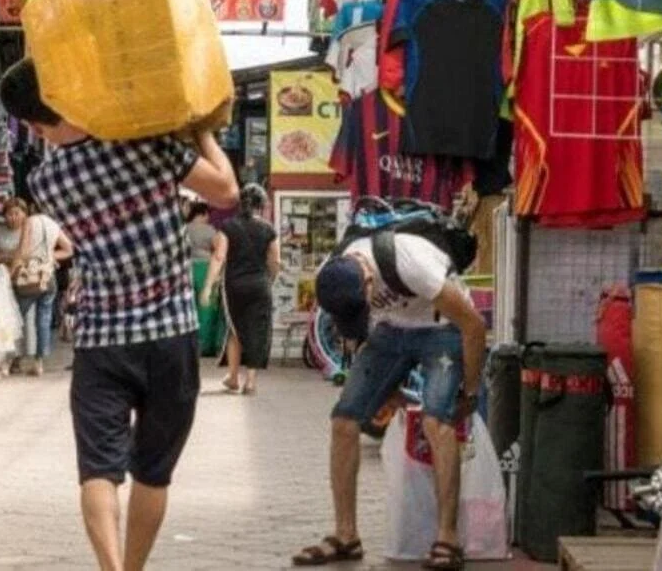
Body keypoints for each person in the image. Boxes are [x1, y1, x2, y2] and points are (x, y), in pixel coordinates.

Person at [0, 58, 238, 571]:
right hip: (170, 335)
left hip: (100, 341)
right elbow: (226, 192)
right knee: (153, 473)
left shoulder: (46, 182)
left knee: (98, 472)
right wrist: (201, 134)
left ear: (36, 127)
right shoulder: (145, 143)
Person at [294, 231, 486, 570]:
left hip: (442, 328)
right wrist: (382, 389)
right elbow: (354, 333)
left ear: (369, 280)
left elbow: (473, 325)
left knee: (436, 422)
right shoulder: (334, 272)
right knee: (343, 420)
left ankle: (447, 538)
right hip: (390, 332)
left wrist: (470, 394)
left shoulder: (413, 263)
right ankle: (346, 536)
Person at [200, 183, 279, 395]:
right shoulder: (269, 229)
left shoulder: (228, 226)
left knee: (234, 329)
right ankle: (251, 380)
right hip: (260, 284)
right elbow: (275, 261)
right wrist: (269, 280)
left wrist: (207, 287)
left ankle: (234, 378)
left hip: (234, 285)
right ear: (260, 205)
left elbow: (219, 257)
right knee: (257, 329)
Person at [0, 197, 74, 376]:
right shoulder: (52, 224)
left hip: (29, 279)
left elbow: (23, 252)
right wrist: (49, 257)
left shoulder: (30, 223)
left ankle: (9, 361)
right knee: (43, 321)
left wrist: (12, 274)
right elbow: (69, 249)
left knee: (15, 320)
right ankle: (39, 363)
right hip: (47, 278)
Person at [186, 202, 225, 357]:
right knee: (206, 308)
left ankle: (191, 345)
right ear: (202, 214)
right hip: (205, 268)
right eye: (207, 214)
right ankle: (205, 345)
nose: (208, 217)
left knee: (191, 308)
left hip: (187, 268)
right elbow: (219, 250)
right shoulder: (209, 230)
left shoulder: (184, 228)